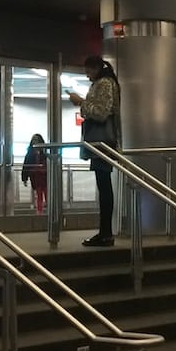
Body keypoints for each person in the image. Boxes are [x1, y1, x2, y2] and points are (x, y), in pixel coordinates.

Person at [67, 56, 120, 247]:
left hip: (102, 143)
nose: (88, 76)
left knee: (104, 185)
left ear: (97, 68)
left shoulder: (104, 83)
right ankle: (104, 232)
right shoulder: (104, 82)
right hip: (100, 143)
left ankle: (106, 233)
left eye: (89, 71)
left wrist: (80, 102)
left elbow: (101, 112)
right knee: (103, 185)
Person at [21, 133, 48, 215]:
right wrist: (24, 178)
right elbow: (25, 166)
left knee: (46, 193)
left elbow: (25, 166)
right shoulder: (31, 153)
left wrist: (24, 178)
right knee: (39, 194)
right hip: (36, 176)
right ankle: (40, 211)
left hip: (44, 176)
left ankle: (45, 210)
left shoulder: (44, 153)